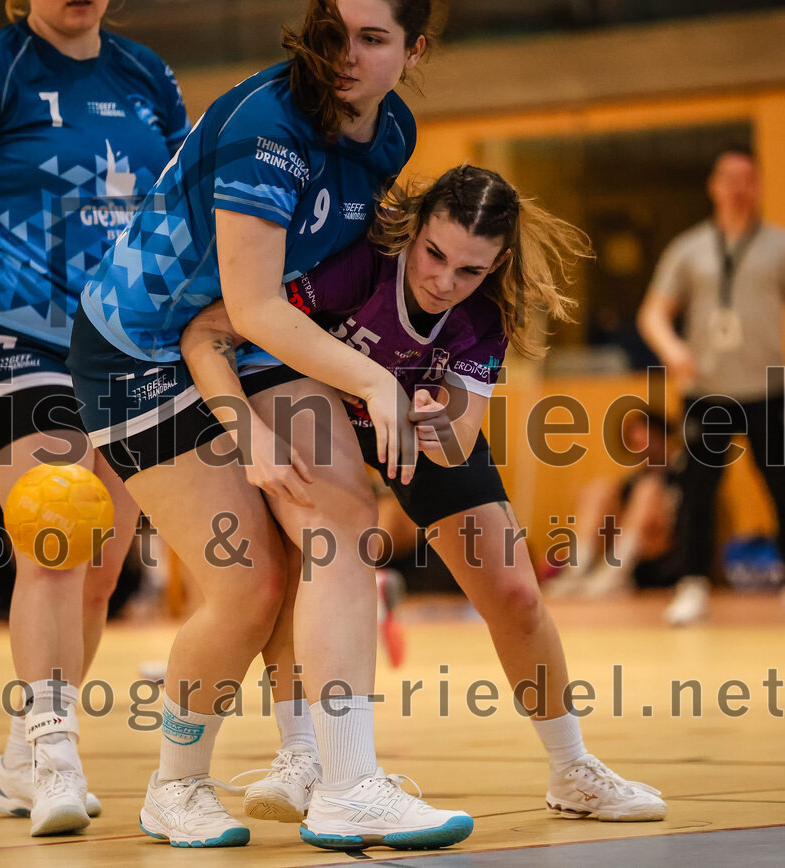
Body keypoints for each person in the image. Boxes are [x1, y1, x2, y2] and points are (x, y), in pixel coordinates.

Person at [70, 0, 475, 851]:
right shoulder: (268, 130)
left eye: (373, 39)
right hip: (138, 353)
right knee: (248, 584)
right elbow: (249, 308)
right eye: (336, 35)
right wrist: (370, 385)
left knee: (339, 522)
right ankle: (174, 788)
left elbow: (323, 282)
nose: (347, 57)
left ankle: (338, 778)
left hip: (246, 336)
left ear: (414, 49)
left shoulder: (389, 131)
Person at [181, 165, 668, 825]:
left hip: (408, 425)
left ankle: (573, 767)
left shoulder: (487, 310)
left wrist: (438, 422)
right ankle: (305, 756)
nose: (443, 280)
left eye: (469, 270)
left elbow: (456, 437)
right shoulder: (358, 267)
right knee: (316, 558)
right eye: (434, 254)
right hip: (314, 404)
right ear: (413, 231)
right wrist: (245, 432)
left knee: (518, 594)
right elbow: (211, 333)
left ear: (494, 269)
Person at [0, 0, 189, 836]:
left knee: (99, 569)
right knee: (54, 534)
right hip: (10, 336)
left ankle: (22, 753)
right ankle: (58, 756)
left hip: (123, 343)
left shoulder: (146, 76)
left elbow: (181, 207)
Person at [637, 145, 785, 626]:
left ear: (757, 184)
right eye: (729, 178)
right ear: (714, 186)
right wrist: (672, 349)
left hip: (769, 388)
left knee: (781, 484)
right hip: (707, 391)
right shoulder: (689, 249)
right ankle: (693, 584)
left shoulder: (778, 246)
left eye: (748, 178)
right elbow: (653, 313)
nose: (738, 187)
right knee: (697, 490)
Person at [548, 409, 684, 598]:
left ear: (660, 434)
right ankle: (576, 569)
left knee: (648, 489)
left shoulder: (682, 473)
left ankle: (615, 574)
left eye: (644, 432)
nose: (638, 438)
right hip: (625, 551)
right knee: (599, 490)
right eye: (634, 434)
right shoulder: (634, 480)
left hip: (664, 556)